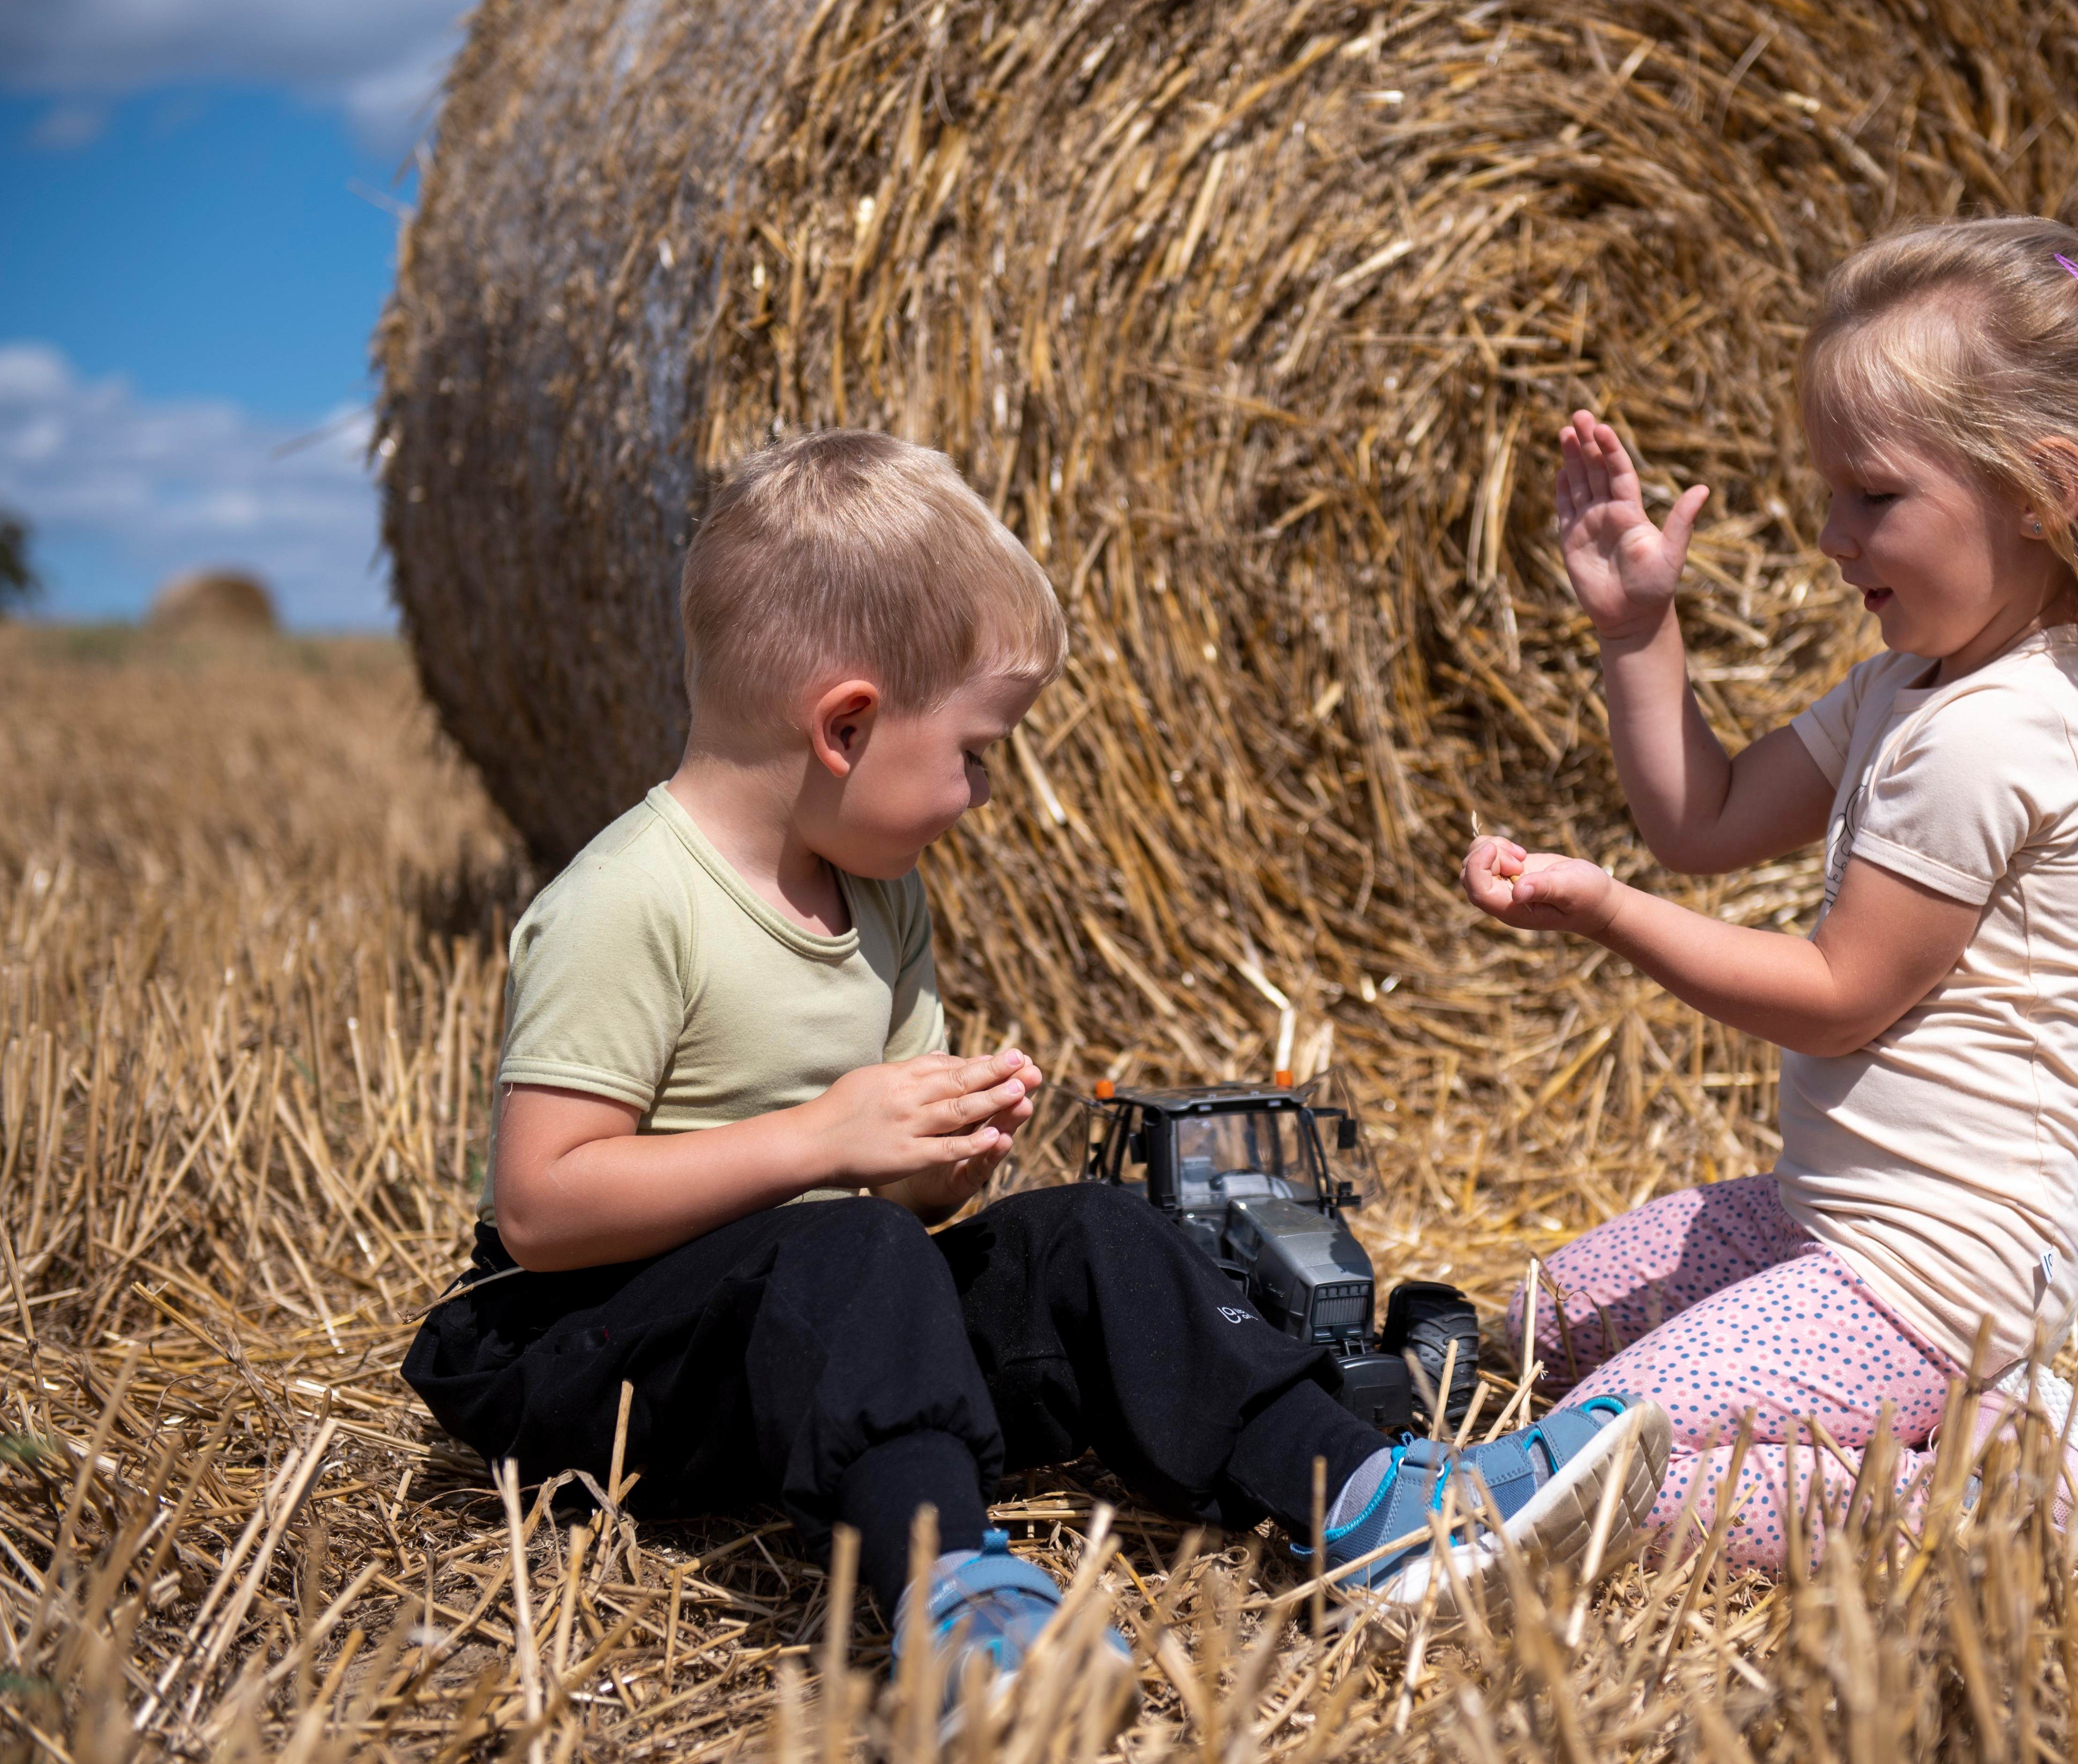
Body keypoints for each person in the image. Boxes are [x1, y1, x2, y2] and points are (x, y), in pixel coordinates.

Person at [404, 430, 1668, 1694]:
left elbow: (881, 1213)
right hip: (594, 1366)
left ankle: (1369, 1506)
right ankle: (952, 1603)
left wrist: (933, 1169)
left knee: (1086, 1237)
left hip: (807, 1355)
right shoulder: (630, 901)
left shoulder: (882, 906)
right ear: (846, 726)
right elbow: (543, 1209)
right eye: (976, 752)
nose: (986, 793)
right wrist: (825, 1145)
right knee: (847, 1248)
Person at [1464, 218, 2078, 1581]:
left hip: (1933, 1281)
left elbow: (1837, 1002)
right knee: (1537, 1330)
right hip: (1824, 1222)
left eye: (1871, 497)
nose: (1832, 538)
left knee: (1592, 1472)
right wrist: (1639, 627)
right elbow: (1702, 823)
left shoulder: (2005, 731)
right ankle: (1955, 1436)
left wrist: (1605, 916)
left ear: (2042, 488)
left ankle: (2048, 1505)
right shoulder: (1909, 688)